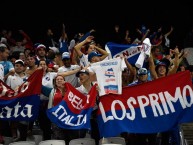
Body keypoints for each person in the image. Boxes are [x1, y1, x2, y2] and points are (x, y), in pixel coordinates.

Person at [48, 75, 87, 145]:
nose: (59, 80)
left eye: (61, 79)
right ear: (55, 82)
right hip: (57, 119)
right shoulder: (53, 91)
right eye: (57, 79)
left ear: (64, 81)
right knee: (59, 139)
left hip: (69, 119)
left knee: (71, 138)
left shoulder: (70, 91)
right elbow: (50, 106)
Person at [75, 69, 100, 145]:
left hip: (96, 114)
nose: (80, 77)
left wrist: (99, 93)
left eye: (82, 75)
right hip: (83, 115)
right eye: (79, 76)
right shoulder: (77, 90)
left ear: (89, 76)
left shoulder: (97, 86)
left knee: (96, 135)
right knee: (81, 135)